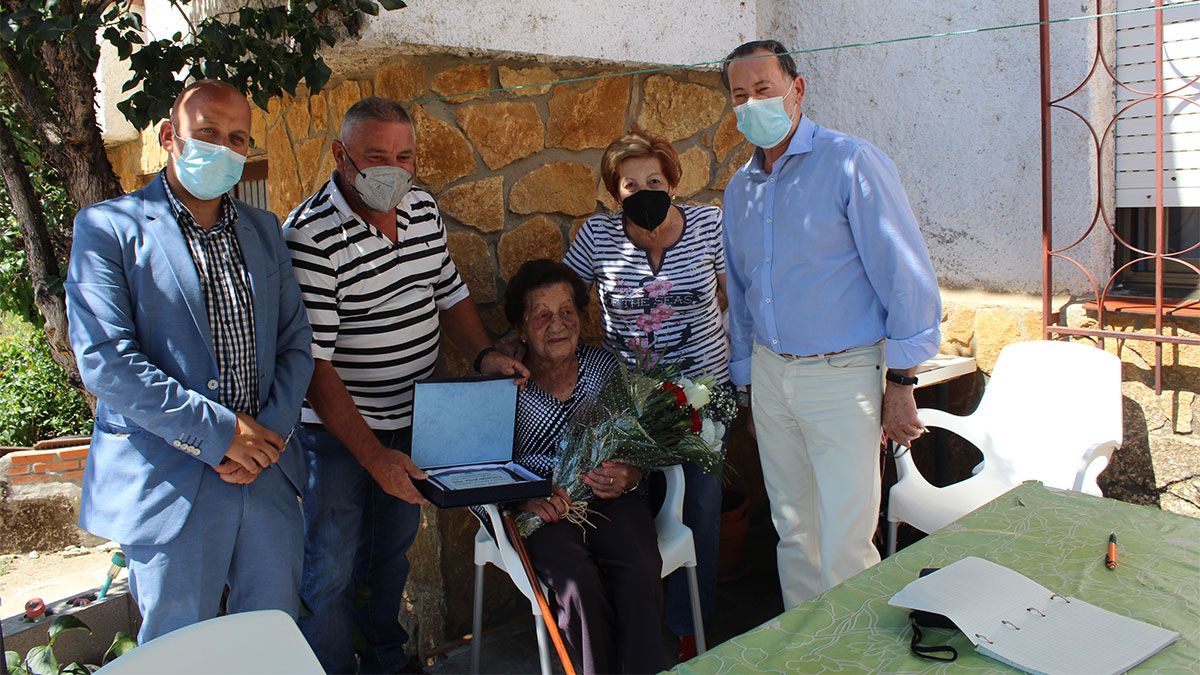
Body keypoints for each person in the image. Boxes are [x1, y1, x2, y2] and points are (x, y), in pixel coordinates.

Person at [283, 96, 527, 674]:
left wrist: (484, 356)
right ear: (341, 155)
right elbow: (316, 370)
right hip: (338, 436)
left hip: (414, 421)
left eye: (404, 155)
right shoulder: (310, 236)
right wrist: (375, 457)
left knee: (390, 555)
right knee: (332, 566)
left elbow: (451, 294)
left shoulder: (420, 207)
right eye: (375, 155)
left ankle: (386, 663)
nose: (393, 169)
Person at [65, 80, 314, 643]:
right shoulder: (109, 229)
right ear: (168, 136)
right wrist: (223, 435)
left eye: (236, 138)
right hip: (169, 480)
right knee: (181, 649)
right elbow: (107, 362)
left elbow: (296, 341)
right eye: (206, 133)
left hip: (267, 475)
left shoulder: (264, 230)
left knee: (269, 644)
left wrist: (267, 433)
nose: (222, 148)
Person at [720, 40, 942, 608]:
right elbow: (742, 299)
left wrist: (902, 384)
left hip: (842, 377)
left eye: (763, 89)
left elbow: (905, 277)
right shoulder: (740, 189)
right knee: (793, 534)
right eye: (739, 96)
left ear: (797, 88)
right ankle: (806, 655)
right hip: (772, 377)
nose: (751, 105)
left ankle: (852, 658)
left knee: (845, 542)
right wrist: (748, 387)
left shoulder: (851, 162)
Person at [561, 130, 727, 660]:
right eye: (630, 184)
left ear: (672, 180)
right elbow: (561, 296)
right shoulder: (598, 236)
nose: (644, 190)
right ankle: (635, 626)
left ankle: (687, 631)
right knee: (631, 507)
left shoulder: (708, 225)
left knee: (699, 507)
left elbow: (735, 295)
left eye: (654, 180)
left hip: (704, 398)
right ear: (616, 194)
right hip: (630, 401)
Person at [486, 259, 673, 675]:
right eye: (542, 316)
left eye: (567, 312)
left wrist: (632, 473)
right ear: (520, 329)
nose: (558, 325)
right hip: (544, 511)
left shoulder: (605, 369)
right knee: (577, 584)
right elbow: (482, 470)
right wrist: (522, 499)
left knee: (640, 566)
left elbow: (638, 443)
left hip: (610, 499)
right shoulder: (505, 389)